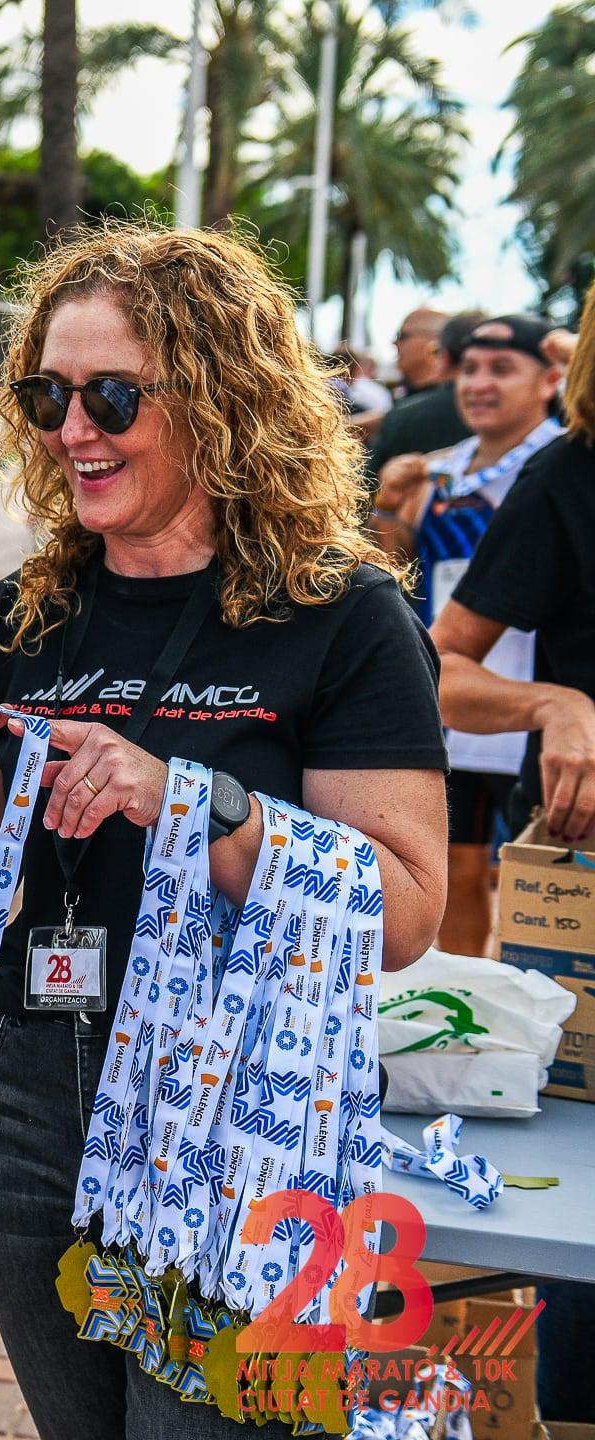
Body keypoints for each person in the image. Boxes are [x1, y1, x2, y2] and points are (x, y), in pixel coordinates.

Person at [0, 224, 446, 1440]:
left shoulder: (340, 614)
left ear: (219, 400)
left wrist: (196, 804)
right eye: (48, 393)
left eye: (111, 395)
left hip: (239, 1100)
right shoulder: (30, 607)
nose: (71, 428)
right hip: (36, 1088)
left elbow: (404, 911)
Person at [428, 292, 594, 1425]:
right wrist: (554, 701)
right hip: (583, 900)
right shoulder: (571, 480)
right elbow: (432, 670)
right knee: (584, 1210)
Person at [372, 315, 563, 955]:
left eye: (502, 370)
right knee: (454, 873)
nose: (479, 384)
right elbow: (397, 575)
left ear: (550, 381)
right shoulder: (439, 472)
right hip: (456, 702)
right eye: (472, 369)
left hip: (545, 705)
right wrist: (389, 511)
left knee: (545, 880)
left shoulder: (564, 469)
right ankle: (468, 1025)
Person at [364, 310, 482, 486]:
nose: (394, 343)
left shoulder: (404, 418)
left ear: (435, 351)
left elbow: (365, 494)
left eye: (402, 336)